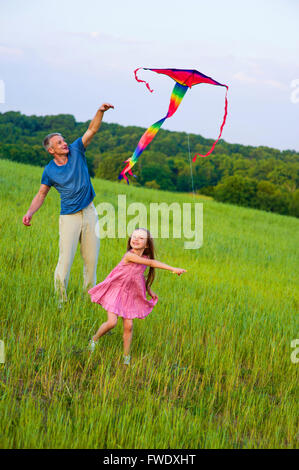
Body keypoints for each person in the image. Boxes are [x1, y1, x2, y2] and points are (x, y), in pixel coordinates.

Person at [22, 103, 114, 303]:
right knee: (64, 262)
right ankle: (61, 303)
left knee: (91, 263)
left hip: (90, 213)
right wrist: (30, 212)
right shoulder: (49, 171)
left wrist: (100, 111)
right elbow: (41, 194)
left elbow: (92, 130)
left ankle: (88, 302)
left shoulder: (76, 150)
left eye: (63, 140)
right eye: (59, 142)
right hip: (69, 218)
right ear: (51, 150)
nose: (64, 143)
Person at [88, 228, 187, 365]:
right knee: (112, 322)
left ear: (146, 245)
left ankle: (126, 358)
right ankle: (94, 339)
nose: (136, 239)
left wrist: (149, 290)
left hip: (130, 295)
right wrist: (173, 269)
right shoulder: (130, 255)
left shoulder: (144, 259)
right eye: (134, 237)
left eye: (141, 238)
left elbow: (138, 277)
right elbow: (152, 263)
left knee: (129, 326)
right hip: (115, 292)